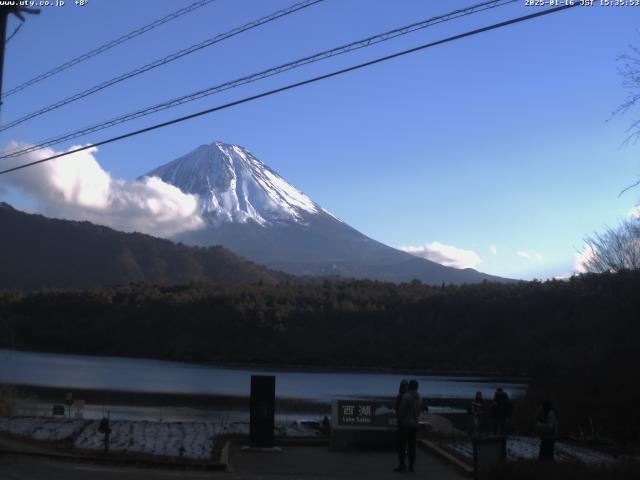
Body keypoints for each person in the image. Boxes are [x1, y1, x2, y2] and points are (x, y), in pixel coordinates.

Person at [394, 379, 421, 473]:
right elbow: (418, 411)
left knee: (402, 445)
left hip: (405, 425)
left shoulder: (406, 397)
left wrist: (399, 420)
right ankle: (411, 466)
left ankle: (402, 465)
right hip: (414, 425)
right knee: (412, 446)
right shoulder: (419, 398)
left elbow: (400, 411)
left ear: (409, 386)